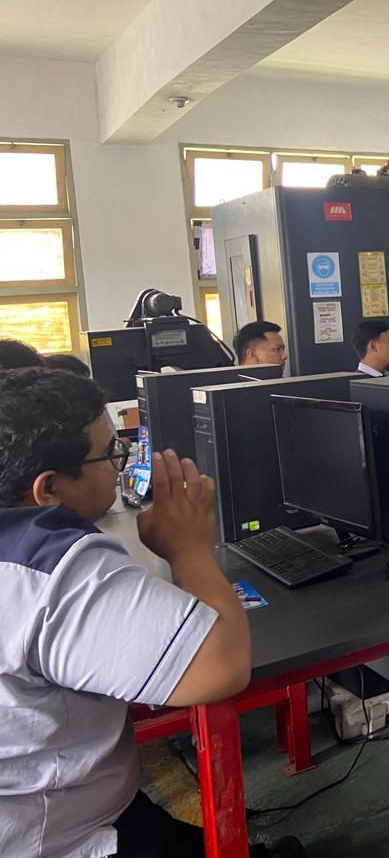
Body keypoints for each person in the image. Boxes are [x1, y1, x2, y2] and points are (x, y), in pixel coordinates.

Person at [0, 368, 301, 858]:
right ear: (48, 489)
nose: (120, 463)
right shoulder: (52, 570)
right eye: (108, 454)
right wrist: (189, 548)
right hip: (56, 834)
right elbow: (220, 667)